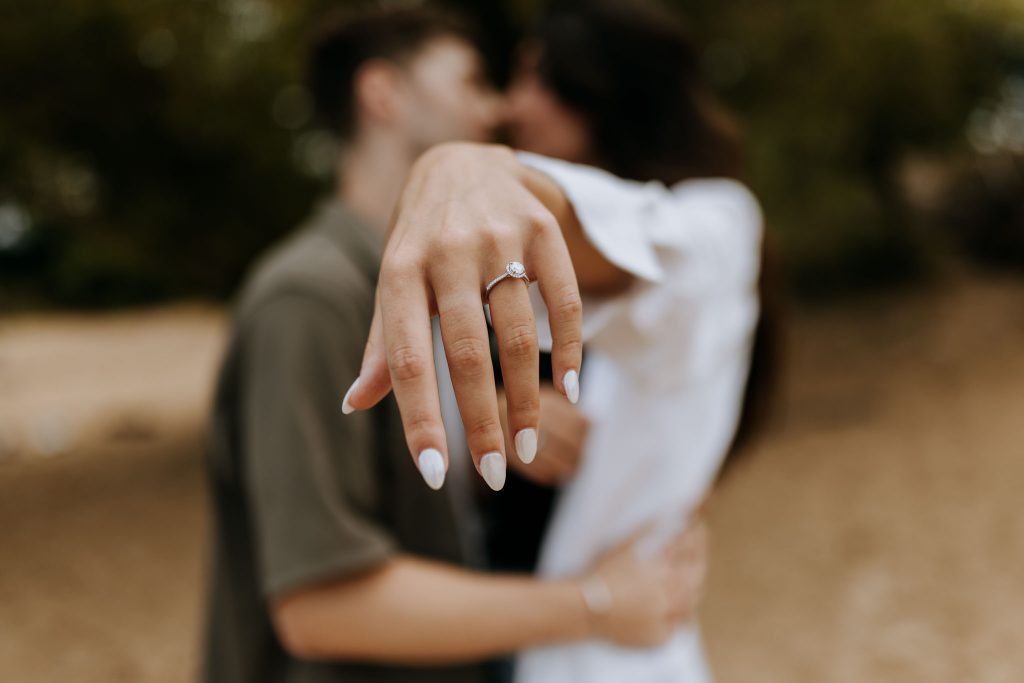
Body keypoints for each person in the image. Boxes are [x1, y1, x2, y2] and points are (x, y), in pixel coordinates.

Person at [202, 7, 706, 683]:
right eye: (470, 81)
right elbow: (319, 603)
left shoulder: (452, 278)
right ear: (383, 94)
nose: (494, 107)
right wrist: (598, 602)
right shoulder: (311, 298)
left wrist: (484, 443)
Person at [344, 1, 766, 680]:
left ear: (603, 94)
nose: (512, 106)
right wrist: (508, 427)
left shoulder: (716, 225)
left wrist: (471, 169)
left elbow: (640, 244)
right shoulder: (482, 268)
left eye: (538, 79)